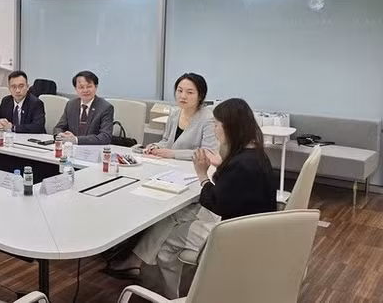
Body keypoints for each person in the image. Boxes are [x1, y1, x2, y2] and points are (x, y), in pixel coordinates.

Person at [116, 98, 277, 298]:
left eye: (216, 125)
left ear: (230, 127)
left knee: (167, 245)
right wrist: (221, 165)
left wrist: (202, 174)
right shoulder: (253, 154)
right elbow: (233, 187)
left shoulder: (242, 164)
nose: (215, 129)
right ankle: (140, 265)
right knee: (177, 217)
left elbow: (214, 202)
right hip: (255, 228)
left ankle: (170, 295)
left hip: (234, 234)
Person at [145, 73, 218, 161]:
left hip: (193, 167)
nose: (183, 96)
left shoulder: (208, 119)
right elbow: (166, 141)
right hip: (170, 164)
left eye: (190, 92)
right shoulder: (174, 113)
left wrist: (173, 154)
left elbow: (208, 152)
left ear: (201, 96)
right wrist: (156, 147)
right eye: (179, 91)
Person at [53, 71, 114, 145]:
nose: (85, 90)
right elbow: (58, 128)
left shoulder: (105, 107)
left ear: (96, 86)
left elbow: (105, 137)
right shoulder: (71, 104)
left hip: (93, 150)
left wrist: (75, 140)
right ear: (76, 89)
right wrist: (61, 135)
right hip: (71, 148)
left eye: (89, 86)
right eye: (81, 87)